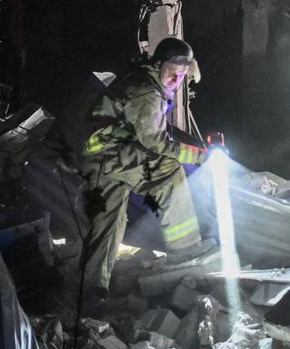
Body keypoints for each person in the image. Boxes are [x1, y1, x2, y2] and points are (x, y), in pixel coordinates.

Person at [76, 37, 208, 301]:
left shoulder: (145, 83)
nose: (176, 79)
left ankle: (92, 289)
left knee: (109, 221)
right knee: (169, 171)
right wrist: (197, 156)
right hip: (111, 156)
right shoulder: (147, 93)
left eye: (182, 75)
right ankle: (186, 251)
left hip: (102, 157)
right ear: (158, 65)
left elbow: (145, 131)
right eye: (172, 72)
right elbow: (154, 141)